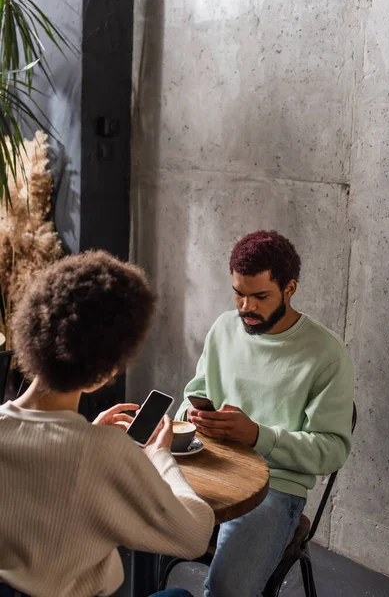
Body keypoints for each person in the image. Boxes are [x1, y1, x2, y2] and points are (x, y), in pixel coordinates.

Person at [0, 251, 214, 597]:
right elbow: (194, 536)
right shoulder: (101, 451)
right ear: (105, 372)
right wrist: (160, 457)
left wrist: (86, 432)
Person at [175, 230, 354, 597]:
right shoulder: (225, 328)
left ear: (289, 289)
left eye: (260, 296)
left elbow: (332, 450)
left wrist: (258, 436)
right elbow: (194, 395)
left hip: (276, 487)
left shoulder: (326, 353)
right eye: (239, 293)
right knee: (125, 528)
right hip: (211, 467)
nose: (246, 307)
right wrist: (191, 418)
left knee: (227, 589)